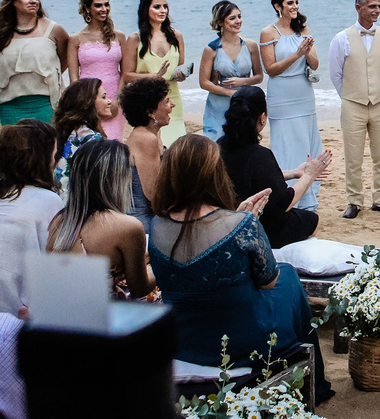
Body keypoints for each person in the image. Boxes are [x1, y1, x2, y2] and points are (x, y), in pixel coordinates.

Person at [148, 135, 332, 401]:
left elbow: (195, 255)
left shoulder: (156, 226)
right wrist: (244, 221)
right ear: (214, 174)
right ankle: (317, 385)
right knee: (288, 277)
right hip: (239, 343)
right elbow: (268, 281)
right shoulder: (242, 226)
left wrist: (239, 217)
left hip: (184, 341)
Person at [219, 86, 330, 248]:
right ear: (262, 118)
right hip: (257, 225)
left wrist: (294, 173)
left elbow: (249, 174)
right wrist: (309, 175)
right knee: (311, 220)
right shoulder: (260, 154)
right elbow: (284, 203)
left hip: (225, 219)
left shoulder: (218, 146)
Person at [47, 139, 156, 300]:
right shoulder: (127, 227)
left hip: (62, 316)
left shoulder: (60, 220)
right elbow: (140, 289)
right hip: (101, 320)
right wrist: (162, 265)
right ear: (117, 179)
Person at [329, 0, 380, 218]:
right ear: (359, 8)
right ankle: (354, 201)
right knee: (353, 156)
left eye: (379, 6)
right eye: (372, 6)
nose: (377, 10)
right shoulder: (341, 38)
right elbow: (335, 74)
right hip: (352, 104)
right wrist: (350, 96)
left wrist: (378, 91)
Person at [259, 0, 322, 211]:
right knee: (286, 144)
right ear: (278, 6)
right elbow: (271, 70)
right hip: (282, 97)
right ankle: (286, 195)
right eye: (290, 3)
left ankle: (307, 197)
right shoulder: (268, 32)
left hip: (303, 95)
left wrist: (307, 52)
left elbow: (314, 65)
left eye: (296, 2)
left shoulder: (303, 28)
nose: (295, 6)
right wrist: (296, 54)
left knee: (306, 143)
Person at [0, 122, 61, 316]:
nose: (55, 161)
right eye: (53, 155)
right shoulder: (48, 201)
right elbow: (58, 263)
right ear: (41, 159)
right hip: (22, 314)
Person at [122, 0, 188, 147]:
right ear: (146, 10)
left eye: (165, 6)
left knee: (176, 147)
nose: (163, 10)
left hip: (172, 98)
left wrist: (181, 74)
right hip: (147, 102)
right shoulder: (135, 39)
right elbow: (127, 75)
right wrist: (154, 76)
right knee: (151, 146)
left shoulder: (176, 36)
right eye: (157, 7)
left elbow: (181, 66)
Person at [0, 0, 68, 125]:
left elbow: (65, 61)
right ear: (13, 1)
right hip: (8, 106)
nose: (33, 1)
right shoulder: (2, 32)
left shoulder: (54, 30)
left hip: (46, 104)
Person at [67, 0, 126, 140]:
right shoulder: (75, 39)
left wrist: (117, 101)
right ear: (87, 8)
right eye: (98, 5)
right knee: (91, 145)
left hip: (114, 97)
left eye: (106, 5)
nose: (104, 9)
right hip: (88, 100)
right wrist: (87, 104)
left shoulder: (119, 37)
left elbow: (126, 73)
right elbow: (74, 79)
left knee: (113, 145)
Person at [198, 1, 262, 141]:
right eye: (232, 18)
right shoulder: (212, 49)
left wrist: (244, 81)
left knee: (242, 144)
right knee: (216, 147)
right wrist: (229, 93)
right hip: (218, 104)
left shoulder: (251, 46)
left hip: (244, 102)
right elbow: (204, 82)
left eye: (239, 16)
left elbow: (259, 76)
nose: (238, 21)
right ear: (220, 22)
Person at [121, 76, 173, 231]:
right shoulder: (145, 138)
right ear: (150, 112)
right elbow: (153, 194)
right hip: (143, 222)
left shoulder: (153, 133)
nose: (172, 105)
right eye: (166, 102)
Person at [50, 78, 109, 190]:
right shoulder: (91, 138)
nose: (109, 101)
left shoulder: (66, 132)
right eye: (103, 97)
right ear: (87, 102)